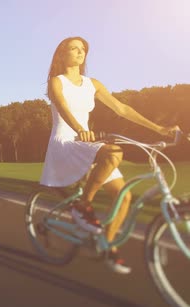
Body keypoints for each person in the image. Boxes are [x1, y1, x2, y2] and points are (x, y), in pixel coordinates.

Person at [40, 36, 180, 274]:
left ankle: (108, 247)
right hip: (66, 141)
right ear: (62, 55)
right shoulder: (57, 82)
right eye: (73, 48)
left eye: (83, 49)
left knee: (124, 196)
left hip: (87, 142)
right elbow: (62, 107)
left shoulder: (92, 83)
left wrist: (160, 130)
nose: (80, 52)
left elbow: (121, 108)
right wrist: (81, 130)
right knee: (114, 151)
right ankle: (83, 205)